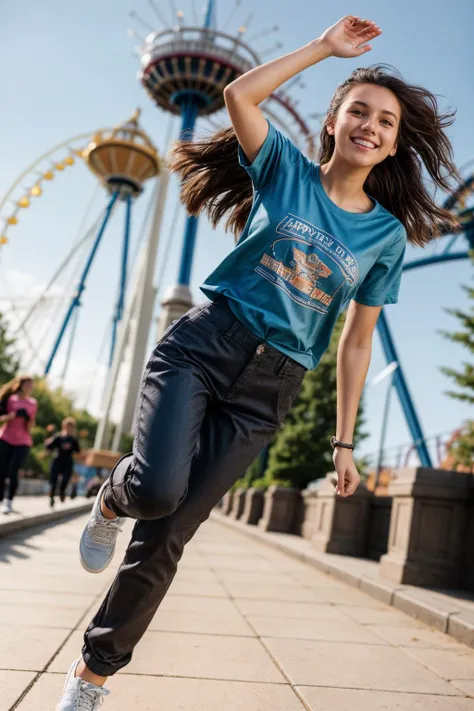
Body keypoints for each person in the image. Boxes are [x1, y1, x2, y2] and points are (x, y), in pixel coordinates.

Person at [55, 16, 460, 710]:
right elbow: (241, 97)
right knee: (154, 492)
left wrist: (342, 440)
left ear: (395, 143)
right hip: (205, 345)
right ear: (332, 122)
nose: (371, 125)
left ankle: (90, 678)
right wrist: (325, 50)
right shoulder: (283, 169)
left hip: (269, 389)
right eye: (358, 110)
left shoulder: (386, 236)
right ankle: (114, 495)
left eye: (386, 121)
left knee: (170, 534)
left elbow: (356, 339)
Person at [0, 375, 37, 515]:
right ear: (20, 385)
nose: (29, 388)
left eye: (31, 386)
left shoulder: (33, 403)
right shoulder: (10, 399)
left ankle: (8, 501)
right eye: (27, 385)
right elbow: (2, 418)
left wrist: (27, 419)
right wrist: (12, 415)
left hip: (23, 441)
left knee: (13, 471)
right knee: (1, 470)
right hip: (5, 438)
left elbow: (30, 426)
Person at [45, 417, 81, 507]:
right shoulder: (58, 436)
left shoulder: (73, 439)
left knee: (65, 480)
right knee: (53, 480)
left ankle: (62, 492)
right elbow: (49, 447)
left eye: (70, 426)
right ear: (63, 426)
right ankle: (52, 497)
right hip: (57, 460)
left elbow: (78, 451)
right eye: (67, 426)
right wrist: (48, 443)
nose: (68, 428)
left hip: (67, 461)